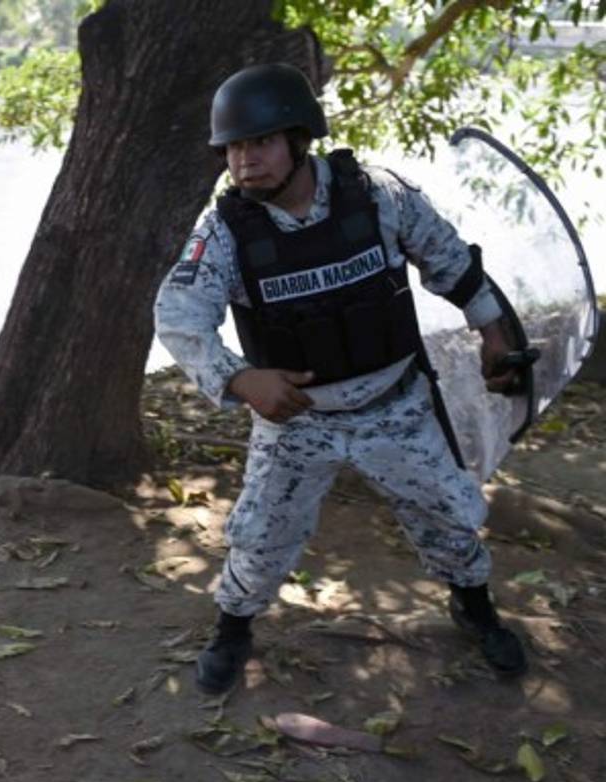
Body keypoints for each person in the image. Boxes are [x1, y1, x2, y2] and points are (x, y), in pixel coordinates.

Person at [153, 64, 528, 696]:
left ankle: (474, 607)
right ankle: (234, 629)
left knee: (448, 517)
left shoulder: (378, 195)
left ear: (300, 139)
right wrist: (241, 379)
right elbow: (178, 316)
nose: (246, 162)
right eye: (234, 149)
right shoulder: (224, 233)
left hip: (396, 406)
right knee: (260, 537)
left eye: (261, 142)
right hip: (299, 421)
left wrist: (494, 333)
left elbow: (450, 261)